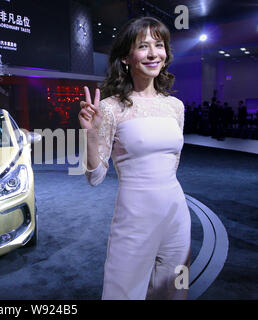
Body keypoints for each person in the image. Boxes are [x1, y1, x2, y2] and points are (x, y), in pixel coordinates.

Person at [78, 16, 190, 300]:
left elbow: (172, 165)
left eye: (159, 45)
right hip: (134, 216)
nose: (153, 54)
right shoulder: (110, 107)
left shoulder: (175, 106)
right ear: (127, 57)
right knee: (123, 292)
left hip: (177, 213)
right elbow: (95, 177)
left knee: (175, 290)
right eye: (143, 46)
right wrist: (90, 135)